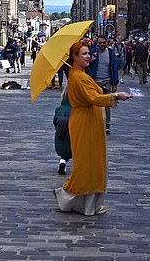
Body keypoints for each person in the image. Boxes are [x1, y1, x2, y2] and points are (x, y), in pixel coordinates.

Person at [54, 41, 131, 215]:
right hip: (85, 123)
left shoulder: (80, 74)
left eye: (89, 53)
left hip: (90, 121)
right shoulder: (78, 76)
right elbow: (93, 98)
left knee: (93, 163)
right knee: (87, 164)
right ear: (74, 57)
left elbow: (94, 94)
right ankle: (69, 198)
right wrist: (116, 95)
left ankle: (88, 204)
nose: (89, 56)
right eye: (84, 54)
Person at [88, 35, 119, 135]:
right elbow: (87, 65)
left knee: (107, 103)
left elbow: (114, 67)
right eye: (100, 43)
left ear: (107, 42)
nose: (102, 44)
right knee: (94, 103)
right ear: (97, 43)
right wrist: (92, 60)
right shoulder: (93, 52)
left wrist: (115, 82)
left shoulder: (110, 53)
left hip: (107, 81)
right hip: (95, 81)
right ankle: (94, 124)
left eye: (103, 43)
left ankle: (107, 125)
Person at [53, 87, 72, 175]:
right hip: (73, 135)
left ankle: (62, 161)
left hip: (61, 135)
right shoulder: (77, 110)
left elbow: (55, 122)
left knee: (64, 153)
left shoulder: (59, 109)